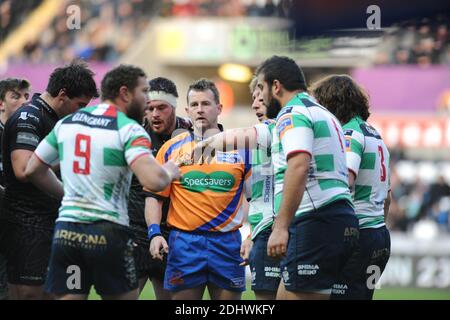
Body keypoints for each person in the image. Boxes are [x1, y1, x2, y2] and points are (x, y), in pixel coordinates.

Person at [24, 65, 181, 300]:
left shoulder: (68, 123)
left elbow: (32, 169)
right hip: (108, 233)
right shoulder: (129, 129)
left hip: (68, 233)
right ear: (125, 93)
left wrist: (66, 195)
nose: (147, 100)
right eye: (144, 92)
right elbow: (154, 180)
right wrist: (169, 171)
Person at [257, 56, 359, 300]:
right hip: (338, 217)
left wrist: (280, 227)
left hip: (316, 219)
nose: (259, 96)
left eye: (261, 87)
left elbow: (299, 165)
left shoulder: (292, 113)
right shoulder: (325, 114)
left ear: (276, 86)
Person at [1, 61, 98, 300]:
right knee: (29, 294)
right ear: (63, 95)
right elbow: (25, 169)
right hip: (27, 223)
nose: (81, 111)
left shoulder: (56, 120)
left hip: (50, 221)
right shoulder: (29, 116)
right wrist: (70, 194)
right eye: (80, 105)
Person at [147, 78, 251, 300]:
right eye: (194, 105)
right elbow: (155, 197)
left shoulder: (242, 148)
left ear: (219, 108)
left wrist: (252, 236)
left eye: (206, 104)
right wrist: (154, 233)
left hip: (227, 243)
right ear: (187, 110)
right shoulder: (170, 149)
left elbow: (256, 197)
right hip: (185, 244)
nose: (200, 110)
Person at [197, 77, 280, 300]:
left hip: (284, 232)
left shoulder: (275, 131)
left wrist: (201, 146)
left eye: (261, 99)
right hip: (267, 232)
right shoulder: (255, 151)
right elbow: (261, 200)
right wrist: (253, 235)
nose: (254, 105)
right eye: (253, 99)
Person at [311, 74, 391, 300]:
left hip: (358, 236)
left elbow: (344, 179)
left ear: (331, 104)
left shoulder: (349, 134)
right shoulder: (376, 136)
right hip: (379, 237)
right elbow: (388, 198)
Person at [128, 77, 191, 299]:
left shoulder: (191, 135)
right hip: (135, 234)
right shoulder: (133, 135)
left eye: (161, 108)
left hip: (174, 236)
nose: (154, 114)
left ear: (173, 107)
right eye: (150, 108)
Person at [0, 77, 31, 300]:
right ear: (0, 103)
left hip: (20, 225)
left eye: (26, 96)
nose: (23, 101)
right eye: (16, 96)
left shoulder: (28, 133)